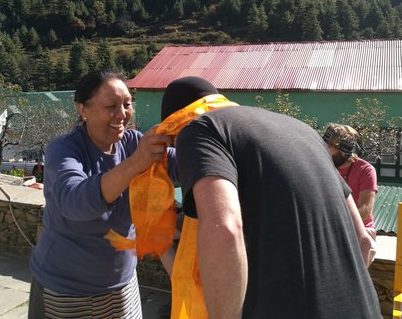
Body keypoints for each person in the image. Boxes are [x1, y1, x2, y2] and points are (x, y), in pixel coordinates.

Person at [161, 76, 382, 319]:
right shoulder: (305, 131)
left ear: (175, 125)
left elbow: (224, 230)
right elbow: (364, 241)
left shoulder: (198, 129)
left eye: (172, 142)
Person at [28, 71, 175, 319]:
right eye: (110, 106)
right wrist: (135, 164)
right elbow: (74, 202)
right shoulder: (64, 149)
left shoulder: (132, 143)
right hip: (69, 291)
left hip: (122, 283)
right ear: (83, 109)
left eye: (127, 104)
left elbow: (180, 164)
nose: (122, 114)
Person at [322, 123, 378, 235]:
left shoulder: (366, 170)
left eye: (329, 148)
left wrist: (334, 225)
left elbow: (365, 210)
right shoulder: (323, 166)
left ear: (343, 153)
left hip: (360, 229)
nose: (324, 152)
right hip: (329, 228)